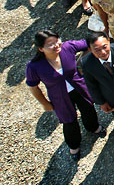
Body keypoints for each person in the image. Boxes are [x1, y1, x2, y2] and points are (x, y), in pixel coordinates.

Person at [26, 30, 105, 161]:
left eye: (57, 40)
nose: (56, 45)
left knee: (88, 108)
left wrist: (83, 62)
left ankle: (94, 127)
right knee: (69, 121)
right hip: (59, 96)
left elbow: (90, 43)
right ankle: (74, 145)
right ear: (40, 49)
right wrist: (45, 104)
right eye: (50, 44)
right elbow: (33, 87)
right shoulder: (34, 66)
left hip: (79, 88)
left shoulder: (68, 47)